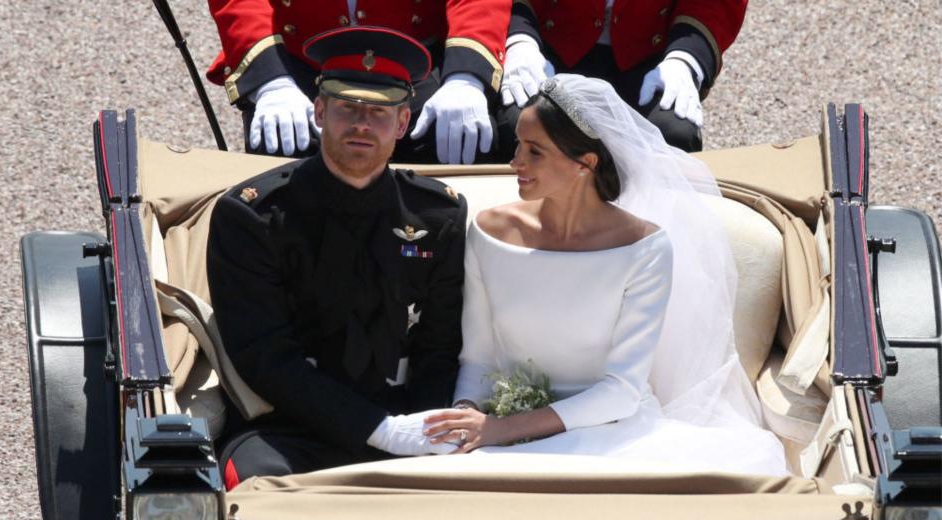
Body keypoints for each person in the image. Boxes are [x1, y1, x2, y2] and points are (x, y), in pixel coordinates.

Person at [422, 74, 788, 476]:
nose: (515, 163)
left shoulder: (645, 249)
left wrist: (503, 429)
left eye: (535, 152)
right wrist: (465, 417)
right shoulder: (489, 232)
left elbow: (622, 391)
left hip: (612, 434)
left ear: (586, 164)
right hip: (501, 432)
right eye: (517, 146)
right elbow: (477, 357)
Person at [206, 27, 469, 489]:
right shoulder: (253, 215)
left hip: (409, 417)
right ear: (320, 111)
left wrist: (426, 429)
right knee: (256, 495)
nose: (362, 124)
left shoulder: (438, 213)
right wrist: (377, 429)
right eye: (347, 108)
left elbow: (440, 344)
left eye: (379, 112)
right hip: (292, 425)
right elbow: (264, 355)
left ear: (403, 123)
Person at [206, 0, 511, 164]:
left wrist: (466, 77)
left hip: (412, 58)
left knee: (463, 142)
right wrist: (272, 82)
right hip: (303, 60)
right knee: (282, 152)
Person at [495, 0, 747, 155]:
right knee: (519, 127)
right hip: (547, 44)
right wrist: (519, 37)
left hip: (650, 53)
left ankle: (648, 238)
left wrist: (685, 58)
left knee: (672, 135)